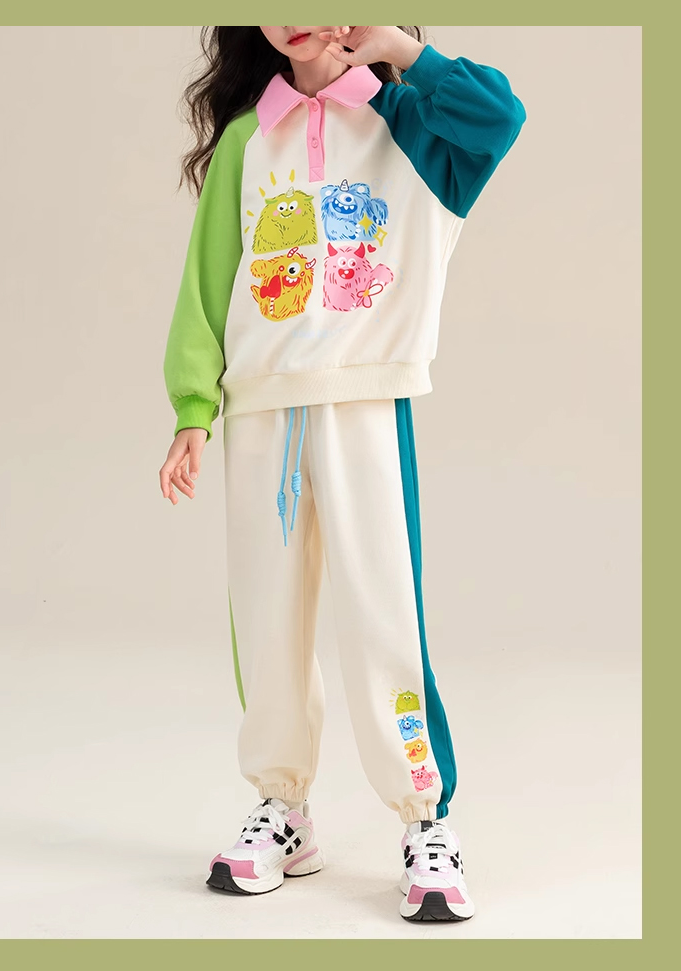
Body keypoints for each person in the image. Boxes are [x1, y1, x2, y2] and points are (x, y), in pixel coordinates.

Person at [160, 26, 526, 923]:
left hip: (366, 402)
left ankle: (425, 817)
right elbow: (208, 283)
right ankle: (282, 806)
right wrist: (192, 409)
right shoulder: (249, 137)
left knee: (383, 612)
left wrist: (401, 50)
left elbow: (500, 116)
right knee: (268, 617)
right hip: (260, 411)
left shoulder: (414, 122)